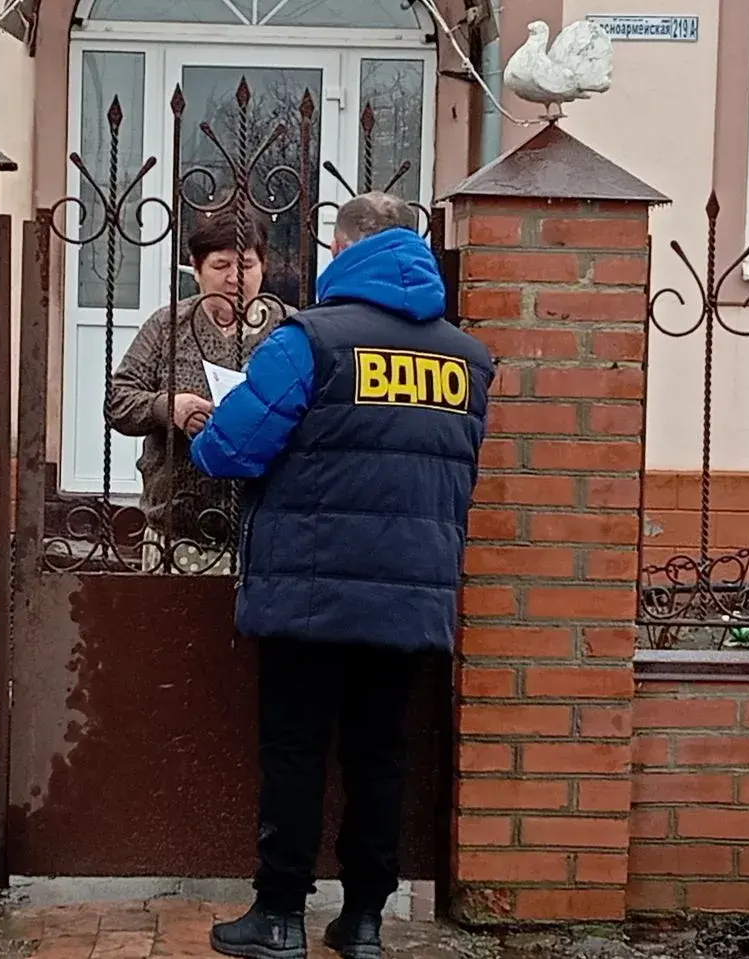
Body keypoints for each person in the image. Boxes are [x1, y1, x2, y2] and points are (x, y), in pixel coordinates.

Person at [190, 193, 494, 959]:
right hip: (414, 593)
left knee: (296, 751)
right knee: (379, 755)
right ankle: (362, 923)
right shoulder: (466, 358)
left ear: (344, 248)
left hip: (311, 589)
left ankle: (278, 916)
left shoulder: (310, 341)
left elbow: (230, 450)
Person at [108, 211, 294, 571]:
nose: (234, 278)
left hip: (264, 533)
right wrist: (169, 407)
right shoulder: (168, 325)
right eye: (220, 265)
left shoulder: (289, 328)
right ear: (195, 268)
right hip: (176, 532)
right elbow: (118, 400)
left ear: (263, 266)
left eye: (247, 265)